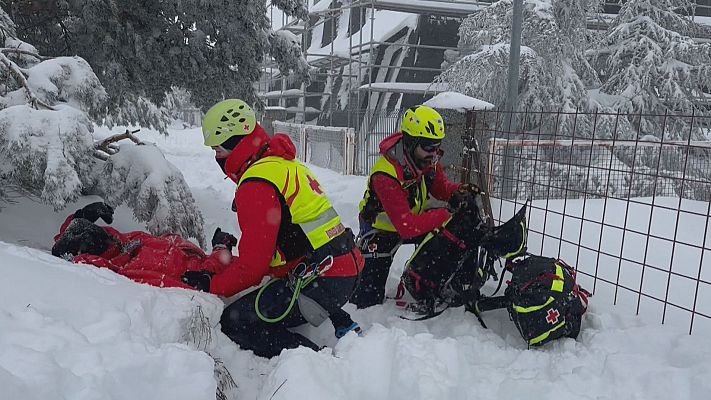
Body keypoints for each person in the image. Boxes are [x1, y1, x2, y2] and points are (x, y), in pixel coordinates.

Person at [181, 99, 364, 358]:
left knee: (236, 322)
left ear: (234, 144)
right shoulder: (281, 164)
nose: (216, 157)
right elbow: (293, 242)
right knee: (273, 290)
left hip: (325, 278)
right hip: (343, 265)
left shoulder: (256, 183)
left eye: (218, 150)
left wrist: (212, 284)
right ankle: (337, 316)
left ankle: (315, 361)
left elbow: (253, 268)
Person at [350, 105, 479, 309]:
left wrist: (459, 191)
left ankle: (429, 281)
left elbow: (440, 188)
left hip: (413, 219)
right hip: (380, 231)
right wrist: (446, 213)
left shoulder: (426, 159)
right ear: (411, 142)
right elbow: (406, 226)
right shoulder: (386, 175)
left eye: (437, 146)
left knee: (453, 234)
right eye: (428, 146)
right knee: (367, 301)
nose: (434, 153)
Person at [52, 201, 234, 289]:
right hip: (220, 276)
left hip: (212, 264)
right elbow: (198, 280)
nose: (101, 232)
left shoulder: (124, 239)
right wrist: (220, 250)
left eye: (95, 229)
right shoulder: (125, 270)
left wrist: (82, 215)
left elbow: (66, 237)